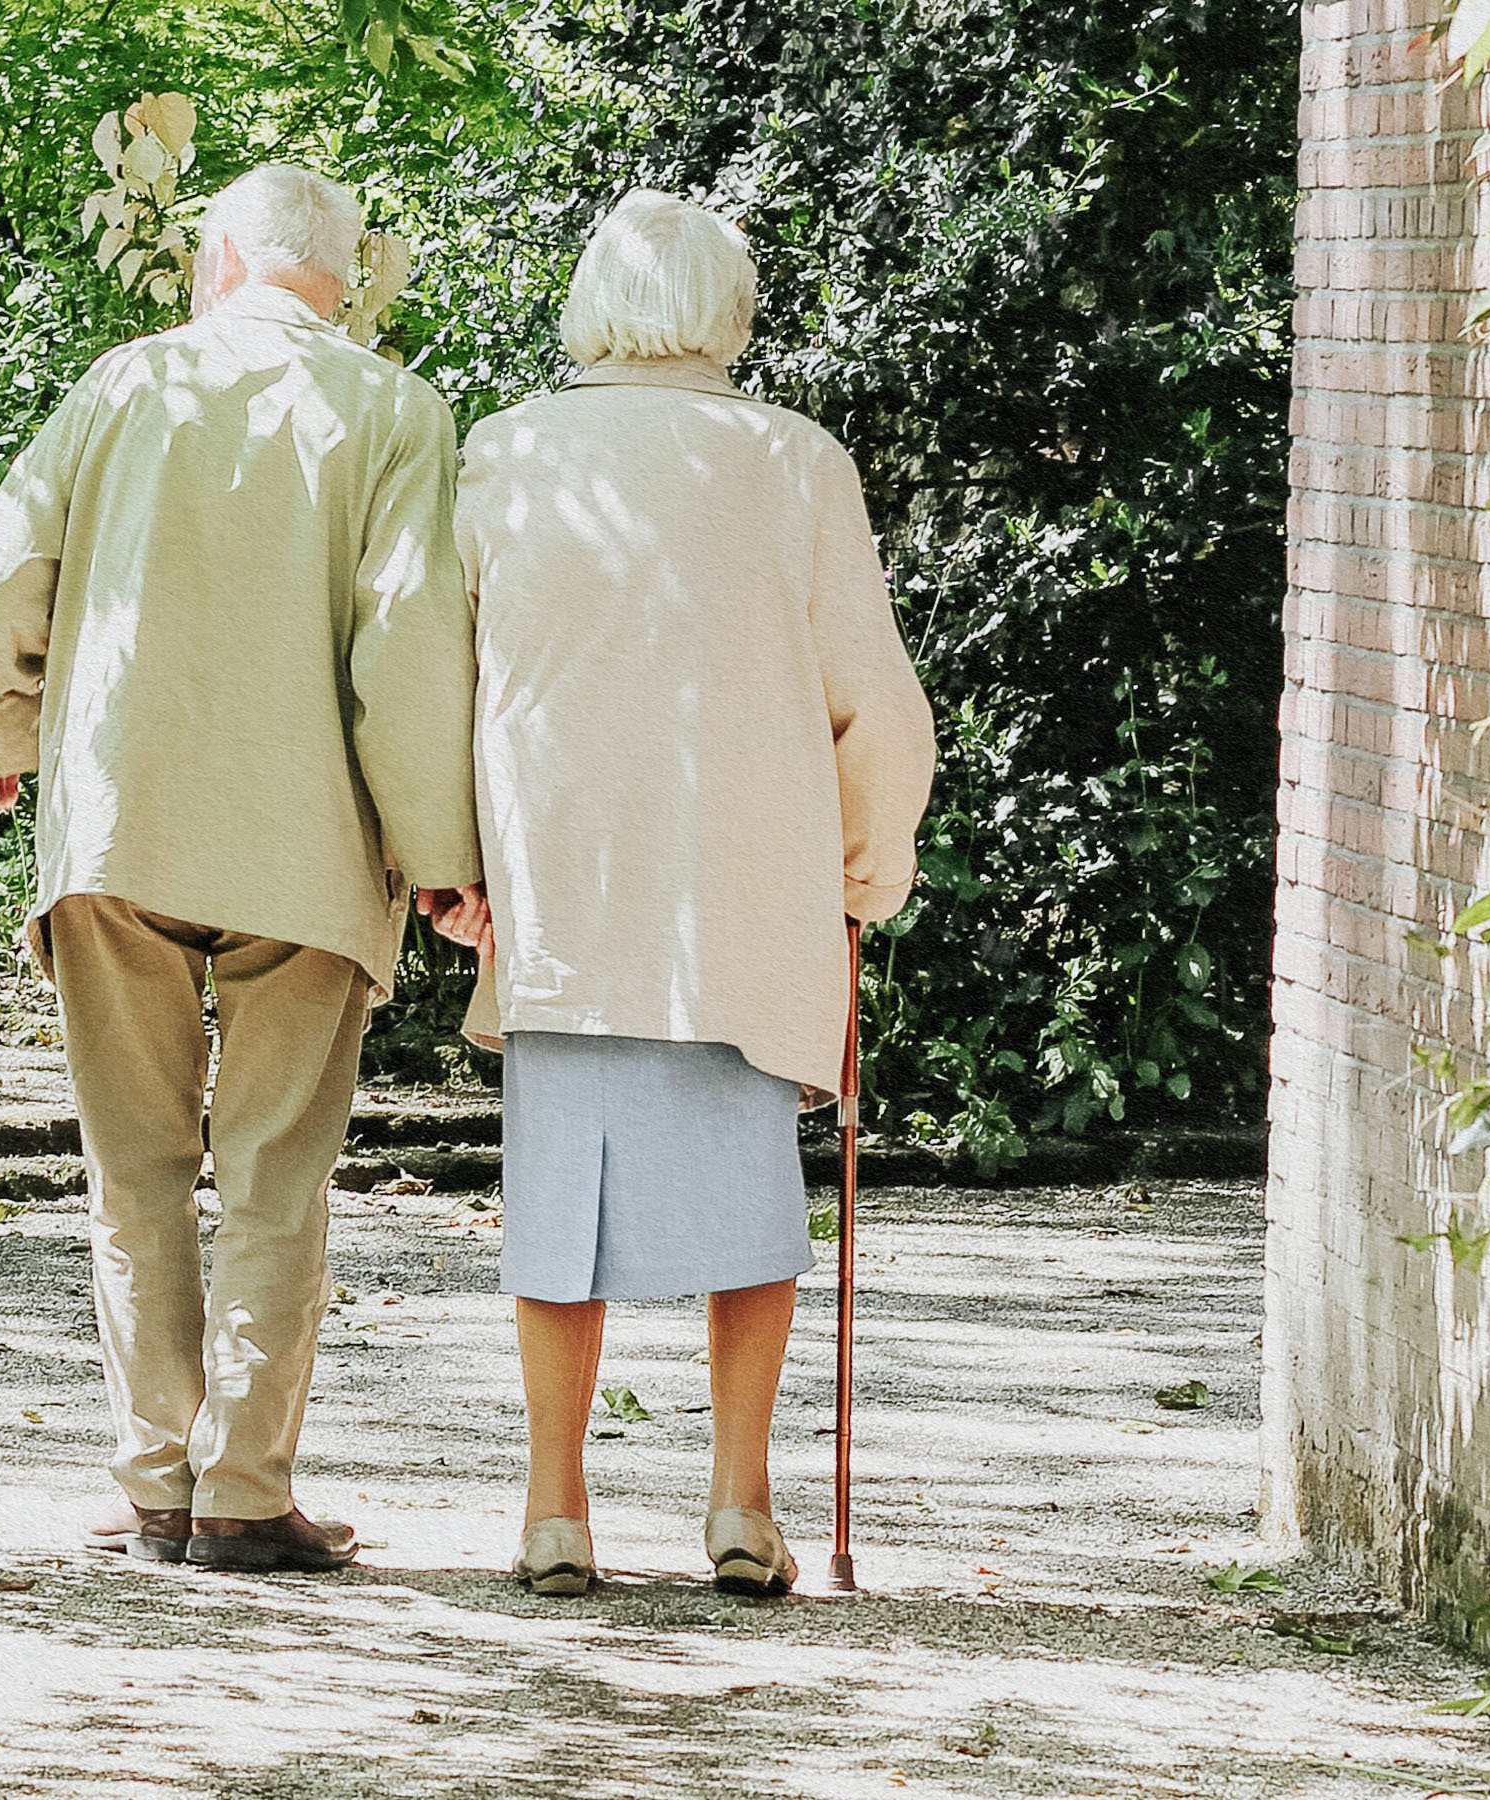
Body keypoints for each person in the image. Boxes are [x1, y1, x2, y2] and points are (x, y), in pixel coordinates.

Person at [0, 164, 488, 1575]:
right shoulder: (395, 410)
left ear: (222, 258)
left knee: (134, 1171)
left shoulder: (120, 386)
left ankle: (153, 1485)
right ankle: (243, 1495)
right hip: (308, 848)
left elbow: (10, 572)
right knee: (274, 1177)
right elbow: (410, 645)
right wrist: (440, 858)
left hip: (123, 826)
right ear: (345, 277)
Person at [449, 190, 937, 1598]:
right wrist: (868, 858)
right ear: (729, 311)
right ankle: (739, 1505)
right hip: (744, 889)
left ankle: (555, 1511)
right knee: (748, 1208)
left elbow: (447, 679)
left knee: (557, 1211)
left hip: (566, 886)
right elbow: (874, 701)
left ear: (594, 304)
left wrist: (453, 865)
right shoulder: (793, 463)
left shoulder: (508, 453)